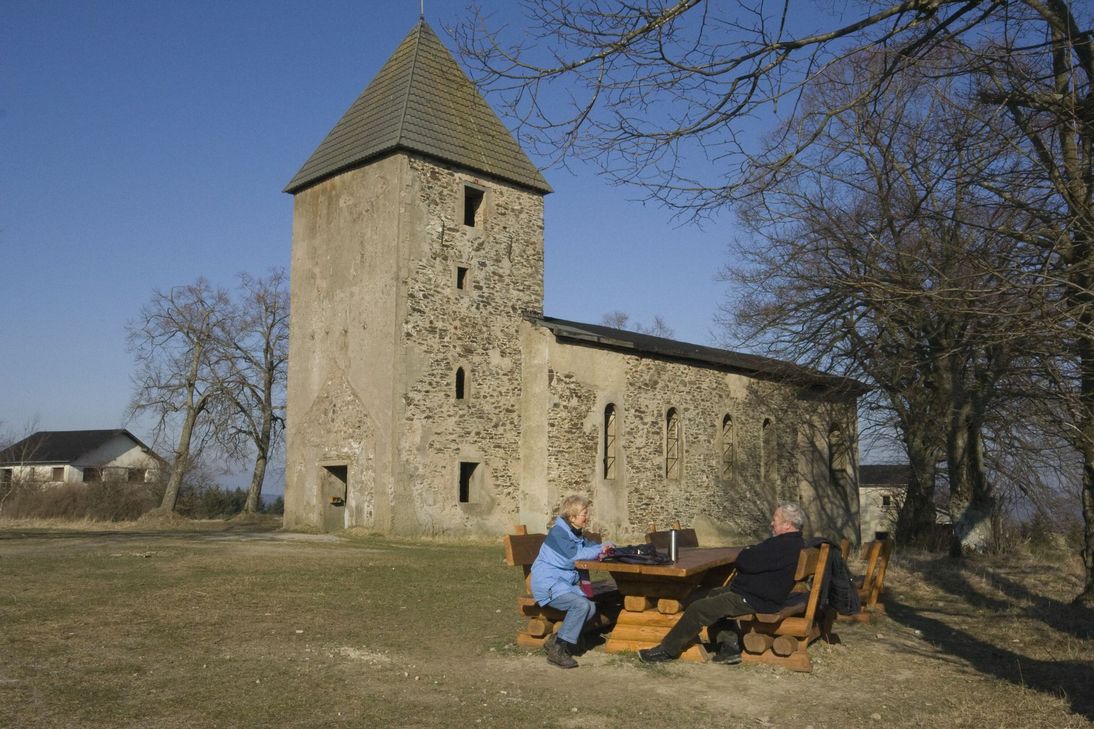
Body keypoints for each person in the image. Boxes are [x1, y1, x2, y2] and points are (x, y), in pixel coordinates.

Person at [638, 502, 806, 665]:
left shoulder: (782, 545)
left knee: (698, 609)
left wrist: (748, 553)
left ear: (787, 525)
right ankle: (729, 647)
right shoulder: (792, 543)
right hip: (760, 595)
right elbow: (753, 558)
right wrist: (750, 554)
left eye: (775, 519)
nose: (772, 522)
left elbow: (745, 561)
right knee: (714, 594)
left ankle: (667, 650)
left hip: (757, 599)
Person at [530, 494, 613, 668]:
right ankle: (558, 652)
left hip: (561, 584)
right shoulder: (558, 533)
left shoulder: (575, 534)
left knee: (590, 607)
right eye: (584, 513)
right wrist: (600, 550)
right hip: (548, 585)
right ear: (572, 517)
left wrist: (608, 546)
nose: (587, 516)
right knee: (582, 606)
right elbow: (574, 557)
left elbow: (590, 547)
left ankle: (555, 641)